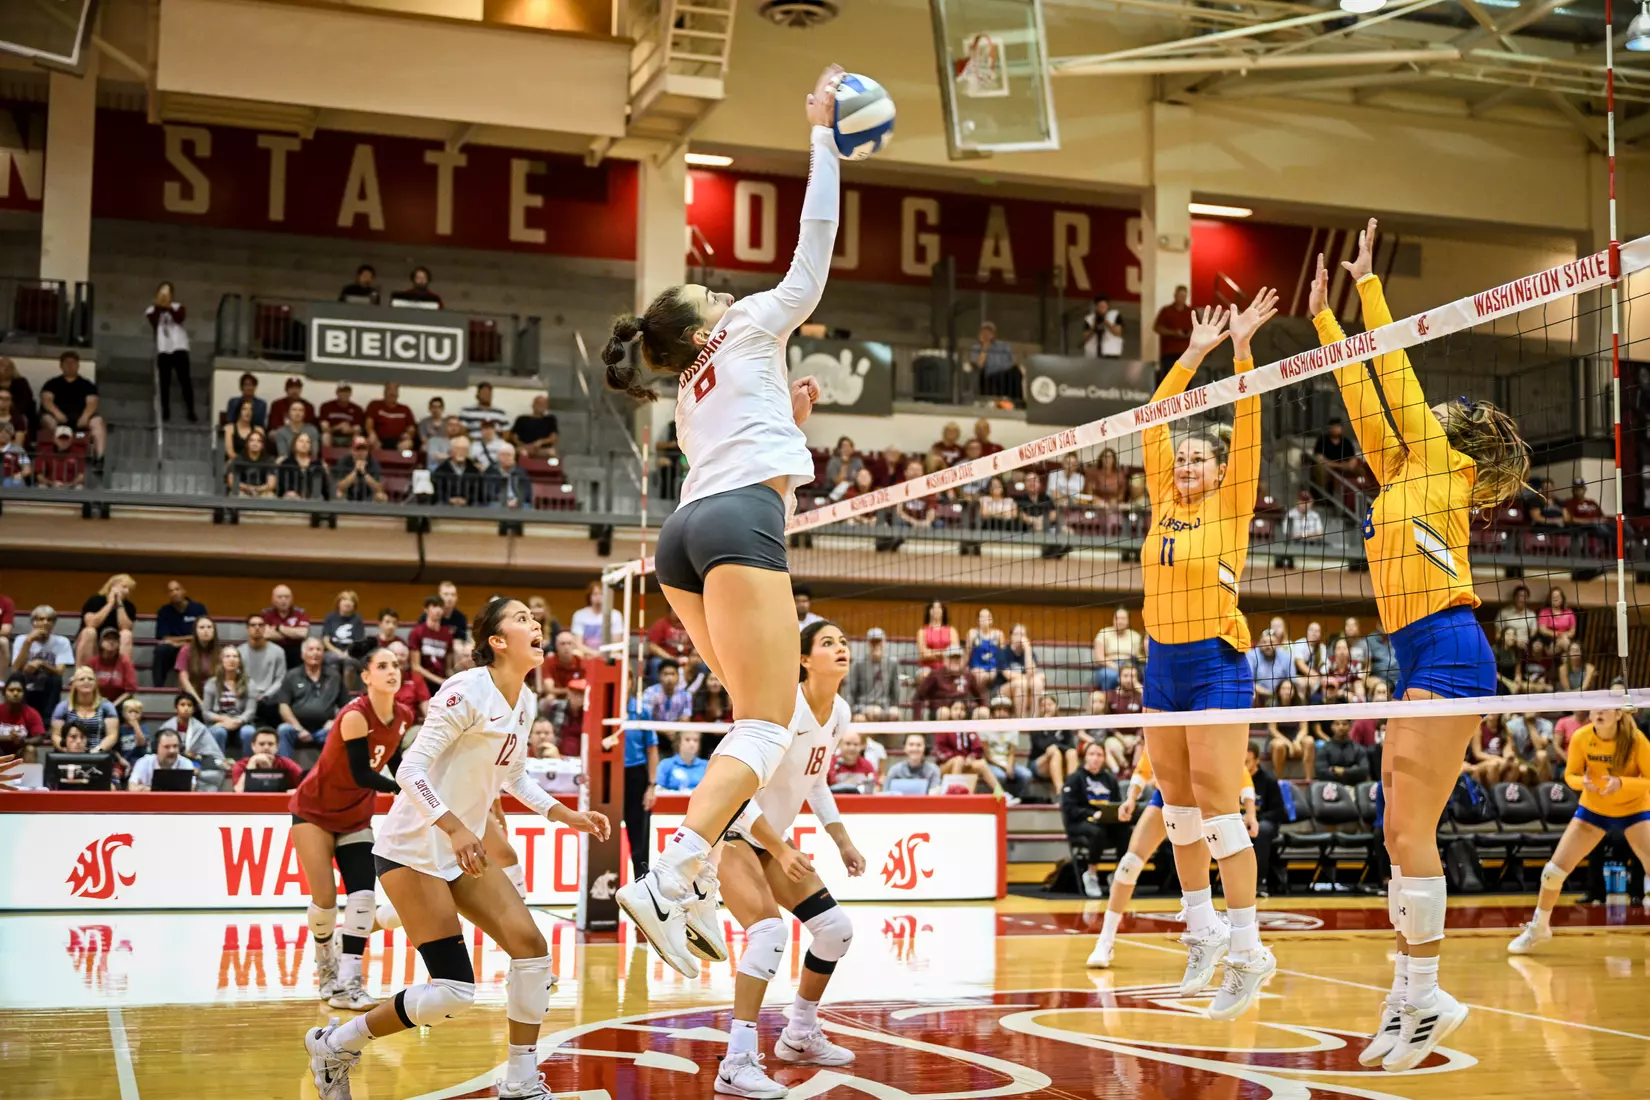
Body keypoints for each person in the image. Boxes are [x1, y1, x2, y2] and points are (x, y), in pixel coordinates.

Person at [601, 65, 846, 980]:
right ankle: (673, 875)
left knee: (754, 721)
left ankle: (693, 877)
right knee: (770, 721)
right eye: (707, 293)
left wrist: (794, 416)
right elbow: (811, 254)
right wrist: (824, 135)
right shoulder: (741, 325)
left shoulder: (691, 391)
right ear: (701, 324)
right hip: (739, 524)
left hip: (684, 539)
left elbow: (751, 434)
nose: (719, 289)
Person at [1309, 220, 1531, 1071]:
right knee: (1397, 828)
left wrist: (1370, 291)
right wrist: (1328, 324)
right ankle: (1410, 996)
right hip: (1415, 653)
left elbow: (1395, 382)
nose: (1430, 420)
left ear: (1467, 464)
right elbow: (1368, 402)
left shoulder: (1445, 471)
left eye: (1443, 423)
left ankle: (1427, 991)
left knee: (1406, 829)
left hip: (1450, 648)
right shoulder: (1405, 472)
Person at [304, 598, 609, 1100]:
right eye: (521, 619)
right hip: (413, 848)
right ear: (496, 641)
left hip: (459, 849)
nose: (535, 624)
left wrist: (565, 814)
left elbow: (514, 778)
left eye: (536, 619)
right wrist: (455, 827)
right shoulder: (466, 688)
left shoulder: (526, 701)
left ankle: (520, 1081)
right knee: (453, 991)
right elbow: (409, 771)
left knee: (532, 952)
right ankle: (335, 1044)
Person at [1138, 287, 1278, 1016]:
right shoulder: (1165, 498)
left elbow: (1248, 425)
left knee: (1221, 812)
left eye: (1200, 457)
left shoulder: (1231, 503)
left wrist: (1242, 351)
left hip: (1216, 663)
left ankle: (1250, 951)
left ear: (1222, 471)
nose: (1187, 462)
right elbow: (1155, 419)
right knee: (1178, 810)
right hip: (1161, 664)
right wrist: (1191, 355)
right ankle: (1203, 931)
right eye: (1182, 456)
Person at [713, 619, 864, 1096]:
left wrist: (841, 839)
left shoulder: (839, 711)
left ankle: (798, 1032)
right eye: (827, 643)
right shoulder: (783, 708)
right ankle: (735, 1061)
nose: (840, 648)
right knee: (769, 933)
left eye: (842, 642)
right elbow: (736, 790)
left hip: (770, 837)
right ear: (803, 659)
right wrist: (779, 847)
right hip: (728, 830)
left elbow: (815, 782)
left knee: (836, 929)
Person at [291, 648, 411, 1011]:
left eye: (396, 666)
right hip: (314, 810)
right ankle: (325, 962)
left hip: (356, 816)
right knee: (325, 900)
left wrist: (418, 785)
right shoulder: (356, 716)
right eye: (383, 666)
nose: (393, 672)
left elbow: (397, 765)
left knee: (362, 896)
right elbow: (362, 773)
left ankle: (351, 982)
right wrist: (400, 788)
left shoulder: (403, 715)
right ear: (366, 676)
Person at [1086, 746, 1257, 967]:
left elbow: (1239, 771)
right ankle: (1105, 941)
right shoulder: (1167, 720)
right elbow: (1147, 761)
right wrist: (1131, 798)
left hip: (1202, 801)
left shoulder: (1206, 725)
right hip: (1167, 796)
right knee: (1129, 864)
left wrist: (1250, 812)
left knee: (1200, 875)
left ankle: (1219, 939)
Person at [1509, 707, 1650, 955]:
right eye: (1595, 707)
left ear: (1618, 714)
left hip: (1633, 809)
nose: (1598, 712)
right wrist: (1580, 782)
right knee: (1552, 873)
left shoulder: (1637, 739)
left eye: (1605, 708)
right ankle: (1539, 927)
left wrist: (1621, 783)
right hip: (1593, 810)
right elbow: (1571, 774)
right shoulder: (1581, 737)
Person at [1062, 740, 1127, 898]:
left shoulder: (1110, 780)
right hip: (1080, 822)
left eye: (1099, 755)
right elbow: (1070, 808)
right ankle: (1091, 874)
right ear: (1085, 757)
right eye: (1092, 754)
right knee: (1097, 832)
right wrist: (1091, 814)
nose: (1095, 758)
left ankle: (1117, 875)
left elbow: (1116, 803)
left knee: (1125, 831)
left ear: (1104, 758)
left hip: (1106, 822)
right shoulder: (1074, 778)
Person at [277, 638, 347, 759]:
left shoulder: (334, 676)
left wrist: (335, 721)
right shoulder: (292, 675)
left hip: (325, 729)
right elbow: (283, 706)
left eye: (319, 649)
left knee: (341, 730)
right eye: (311, 649)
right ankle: (285, 771)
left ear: (323, 654)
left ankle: (333, 775)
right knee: (283, 729)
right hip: (296, 728)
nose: (315, 653)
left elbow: (346, 706)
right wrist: (298, 729)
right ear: (302, 654)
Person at [39, 351, 106, 460]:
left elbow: (92, 402)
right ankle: (53, 456)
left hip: (80, 420)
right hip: (58, 419)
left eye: (73, 363)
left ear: (78, 365)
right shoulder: (52, 383)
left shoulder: (87, 384)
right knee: (47, 420)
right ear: (61, 365)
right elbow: (47, 400)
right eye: (67, 363)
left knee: (97, 422)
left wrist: (85, 417)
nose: (70, 365)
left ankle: (99, 458)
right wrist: (57, 413)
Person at [146, 281, 197, 422]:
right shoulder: (151, 310)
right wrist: (159, 306)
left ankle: (191, 410)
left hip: (179, 346)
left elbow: (179, 318)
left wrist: (168, 307)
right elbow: (154, 321)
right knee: (164, 382)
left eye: (167, 292)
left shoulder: (178, 307)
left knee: (185, 380)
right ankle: (165, 411)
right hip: (163, 349)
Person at [152, 580, 207, 690]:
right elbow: (165, 638)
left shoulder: (198, 609)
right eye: (171, 591)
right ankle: (158, 688)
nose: (175, 593)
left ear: (184, 591)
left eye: (177, 589)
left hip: (194, 648)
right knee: (161, 650)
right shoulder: (164, 611)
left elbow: (202, 634)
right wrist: (188, 638)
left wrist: (179, 642)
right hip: (173, 650)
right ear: (168, 595)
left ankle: (198, 688)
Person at [50, 667, 119, 752]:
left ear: (95, 683)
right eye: (81, 679)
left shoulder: (106, 706)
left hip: (98, 754)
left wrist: (96, 751)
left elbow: (112, 735)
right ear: (74, 683)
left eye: (90, 679)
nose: (86, 681)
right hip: (69, 754)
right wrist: (67, 751)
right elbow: (56, 735)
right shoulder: (63, 707)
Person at [203, 645, 257, 750]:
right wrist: (224, 720)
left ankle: (248, 765)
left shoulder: (249, 682)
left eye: (235, 656)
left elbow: (251, 711)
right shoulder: (212, 683)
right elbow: (206, 712)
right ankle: (218, 765)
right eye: (227, 656)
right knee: (219, 732)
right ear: (221, 661)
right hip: (219, 722)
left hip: (242, 723)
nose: (231, 659)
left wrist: (237, 721)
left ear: (239, 662)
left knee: (248, 732)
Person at [76, 573, 136, 667]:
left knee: (126, 635)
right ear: (112, 586)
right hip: (93, 641)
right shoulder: (95, 600)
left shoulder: (129, 606)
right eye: (124, 587)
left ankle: (123, 676)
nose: (127, 591)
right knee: (89, 631)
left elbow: (126, 627)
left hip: (114, 643)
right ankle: (83, 674)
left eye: (130, 589)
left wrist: (119, 605)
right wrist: (110, 604)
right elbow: (91, 623)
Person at [233, 727, 305, 791]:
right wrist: (252, 764)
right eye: (261, 744)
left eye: (270, 744)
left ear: (277, 747)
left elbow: (306, 786)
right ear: (253, 746)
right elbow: (238, 791)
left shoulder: (287, 764)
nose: (266, 747)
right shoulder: (240, 765)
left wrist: (292, 792)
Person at [1092, 606, 1143, 691]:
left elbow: (1139, 656)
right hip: (1109, 666)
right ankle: (1108, 702)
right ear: (1113, 620)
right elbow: (1099, 658)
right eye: (1117, 618)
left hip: (1130, 665)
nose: (1120, 621)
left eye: (1123, 618)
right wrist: (1117, 667)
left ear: (1128, 621)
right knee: (1108, 675)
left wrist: (1127, 668)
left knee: (1143, 674)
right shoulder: (1103, 633)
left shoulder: (1135, 636)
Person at [127, 729, 196, 791]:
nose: (172, 751)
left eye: (175, 746)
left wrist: (148, 789)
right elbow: (132, 787)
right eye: (167, 747)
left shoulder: (186, 763)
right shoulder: (143, 762)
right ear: (156, 748)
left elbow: (191, 788)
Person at [968, 321, 1020, 403]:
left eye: (989, 332)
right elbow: (979, 365)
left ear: (994, 334)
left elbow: (1013, 361)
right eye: (984, 332)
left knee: (1016, 372)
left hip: (1006, 373)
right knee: (998, 378)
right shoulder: (977, 348)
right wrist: (985, 347)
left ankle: (1018, 402)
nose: (987, 334)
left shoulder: (1003, 345)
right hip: (991, 375)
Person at [1151, 284, 1193, 380]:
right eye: (1180, 296)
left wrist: (1189, 333)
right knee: (1169, 381)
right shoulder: (1166, 311)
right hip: (1169, 353)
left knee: (1185, 382)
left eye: (1184, 296)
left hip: (1186, 353)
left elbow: (1196, 328)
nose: (1182, 298)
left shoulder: (1190, 311)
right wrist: (1174, 333)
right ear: (1175, 295)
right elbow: (1157, 328)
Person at [509, 394, 559, 459]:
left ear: (547, 406)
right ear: (533, 405)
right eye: (538, 403)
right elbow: (514, 437)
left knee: (552, 452)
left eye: (543, 404)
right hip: (524, 448)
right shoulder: (522, 419)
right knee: (522, 452)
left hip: (543, 449)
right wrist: (523, 445)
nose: (541, 405)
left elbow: (553, 438)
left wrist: (541, 442)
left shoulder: (550, 420)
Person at [916, 601, 959, 669]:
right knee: (924, 674)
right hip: (927, 668)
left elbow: (954, 652)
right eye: (933, 607)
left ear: (943, 611)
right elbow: (923, 655)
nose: (936, 610)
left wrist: (931, 652)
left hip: (948, 668)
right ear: (929, 611)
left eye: (939, 607)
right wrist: (944, 652)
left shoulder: (951, 630)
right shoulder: (922, 631)